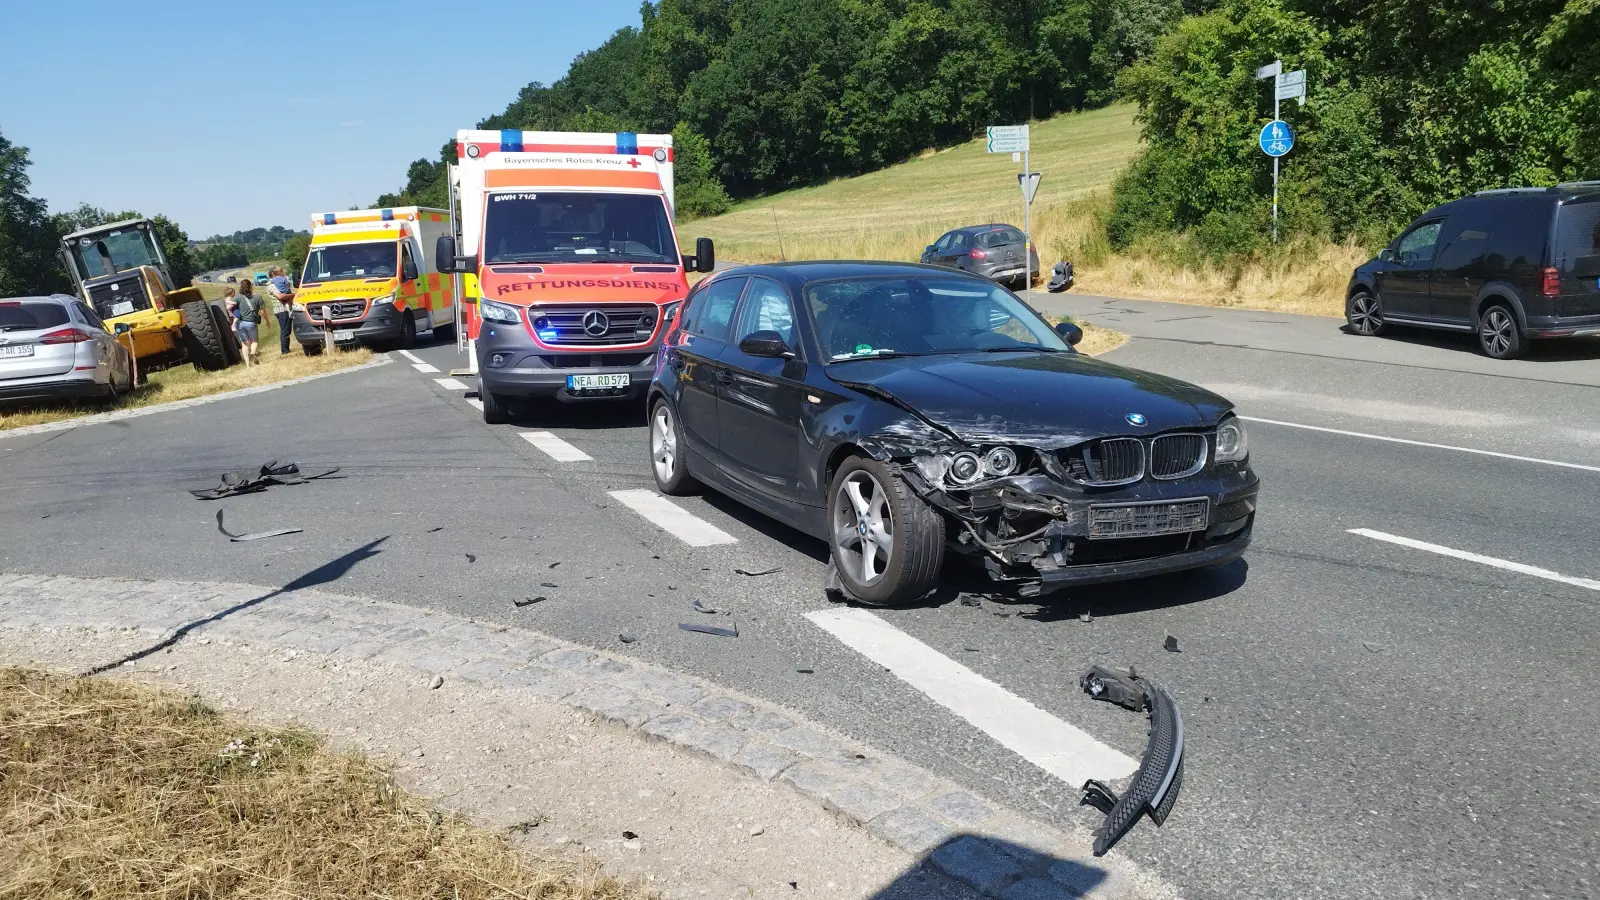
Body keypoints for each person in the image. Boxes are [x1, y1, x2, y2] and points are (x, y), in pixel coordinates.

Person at [235, 279, 266, 365]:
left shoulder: (238, 297)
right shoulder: (258, 297)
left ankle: (248, 365)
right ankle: (253, 352)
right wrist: (267, 320)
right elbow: (263, 312)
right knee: (254, 341)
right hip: (251, 323)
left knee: (244, 344)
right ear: (251, 286)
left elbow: (229, 305)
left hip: (240, 323)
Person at [266, 265, 295, 355]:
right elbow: (280, 296)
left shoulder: (275, 283)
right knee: (285, 330)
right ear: (273, 274)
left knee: (287, 330)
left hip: (284, 309)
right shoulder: (272, 285)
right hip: (281, 310)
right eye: (278, 272)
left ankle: (286, 349)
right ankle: (285, 351)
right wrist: (293, 295)